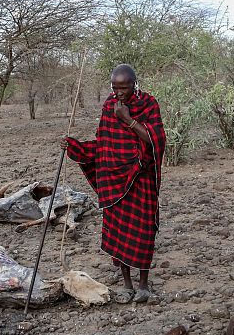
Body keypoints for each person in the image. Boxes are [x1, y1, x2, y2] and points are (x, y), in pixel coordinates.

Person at [65, 64, 166, 303]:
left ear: (135, 84)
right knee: (119, 232)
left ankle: (143, 285)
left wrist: (128, 120)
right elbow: (104, 144)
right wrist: (74, 146)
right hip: (114, 180)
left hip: (141, 177)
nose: (120, 92)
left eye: (125, 87)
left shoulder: (149, 104)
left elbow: (157, 140)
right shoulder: (109, 105)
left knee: (143, 232)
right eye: (116, 87)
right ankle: (127, 284)